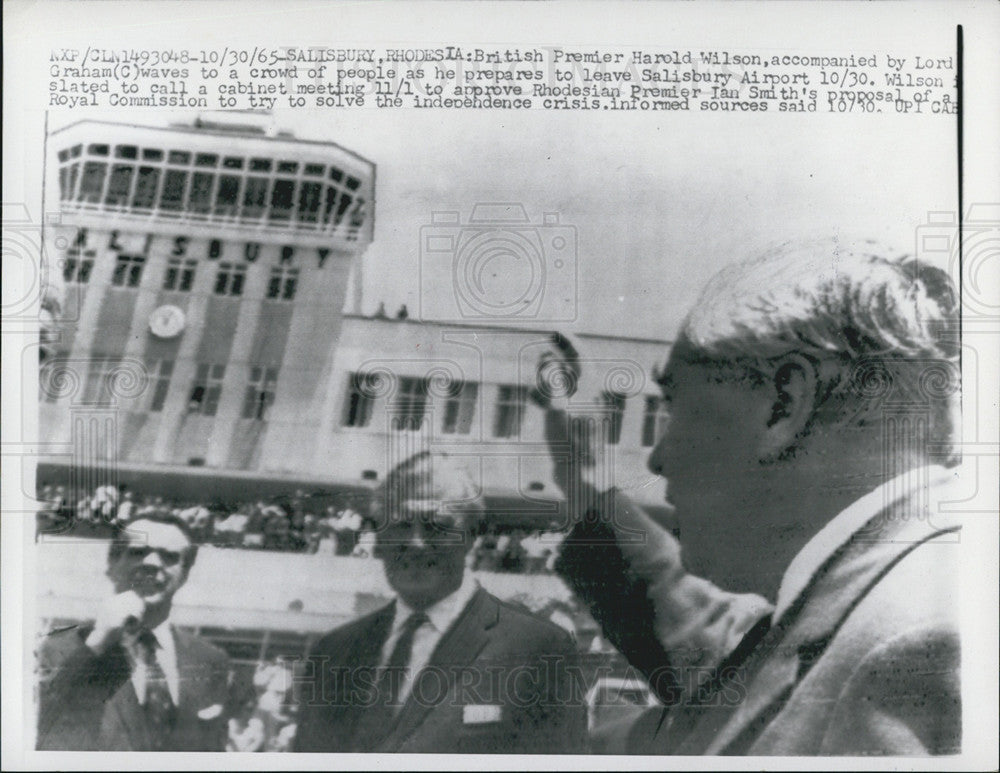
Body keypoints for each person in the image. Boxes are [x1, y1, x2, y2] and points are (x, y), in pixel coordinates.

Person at [536, 239, 963, 755]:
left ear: (783, 402)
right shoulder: (877, 602)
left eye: (674, 407)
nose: (658, 457)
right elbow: (728, 660)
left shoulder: (925, 642)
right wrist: (579, 478)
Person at [294, 451, 588, 753]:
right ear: (379, 539)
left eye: (436, 526)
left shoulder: (537, 650)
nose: (416, 543)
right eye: (401, 526)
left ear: (471, 536)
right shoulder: (334, 652)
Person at [36, 514, 233, 751]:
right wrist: (97, 645)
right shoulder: (58, 651)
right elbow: (47, 738)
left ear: (185, 574)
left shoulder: (209, 660)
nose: (152, 562)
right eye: (138, 552)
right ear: (112, 562)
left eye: (169, 557)